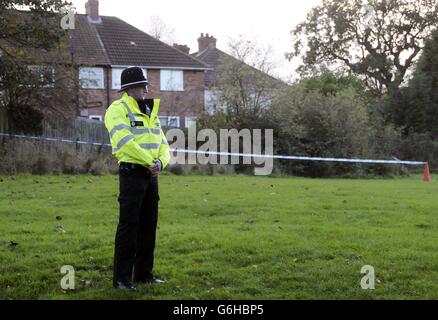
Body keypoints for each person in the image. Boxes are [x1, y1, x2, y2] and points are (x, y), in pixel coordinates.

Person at [104, 67, 170, 291]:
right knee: (129, 226)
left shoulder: (151, 111)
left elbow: (163, 144)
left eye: (146, 86)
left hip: (151, 176)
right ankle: (122, 280)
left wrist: (161, 162)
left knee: (149, 226)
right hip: (132, 173)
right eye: (142, 86)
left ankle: (144, 274)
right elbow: (124, 142)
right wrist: (150, 162)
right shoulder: (117, 110)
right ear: (130, 88)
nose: (146, 89)